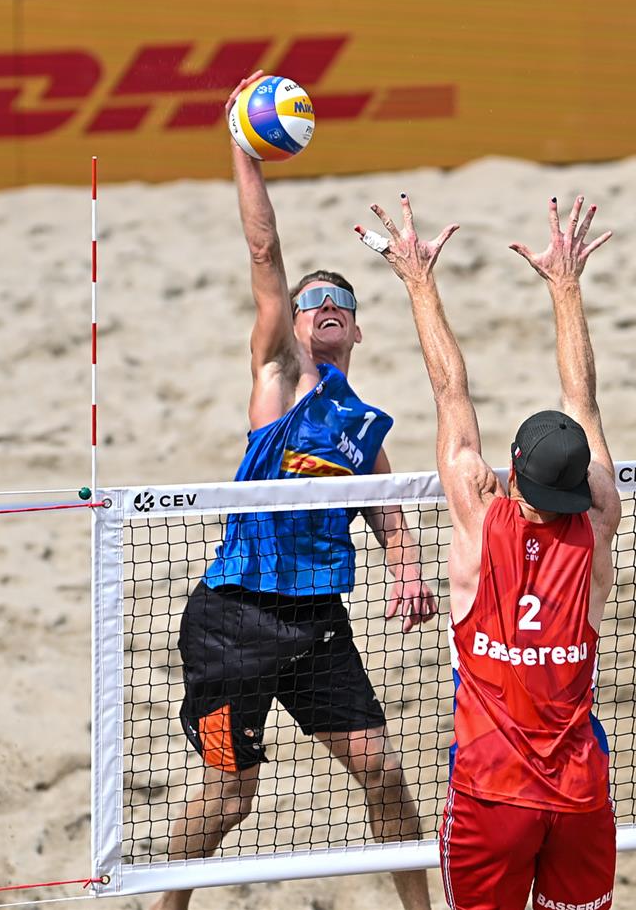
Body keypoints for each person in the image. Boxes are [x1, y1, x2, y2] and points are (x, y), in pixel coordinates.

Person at [149, 72, 436, 910]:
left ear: (358, 327)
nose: (325, 306)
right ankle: (167, 905)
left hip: (316, 624)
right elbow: (265, 256)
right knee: (231, 799)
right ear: (294, 326)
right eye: (312, 303)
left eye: (341, 301)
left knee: (383, 770)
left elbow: (387, 509)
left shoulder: (364, 425)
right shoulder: (280, 379)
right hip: (233, 619)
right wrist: (243, 147)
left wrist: (408, 568)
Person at [357, 194, 621, 910]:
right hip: (579, 796)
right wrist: (566, 286)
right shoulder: (598, 524)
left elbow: (451, 393)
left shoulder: (479, 519)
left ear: (513, 471)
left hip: (490, 796)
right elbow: (584, 401)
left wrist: (417, 280)